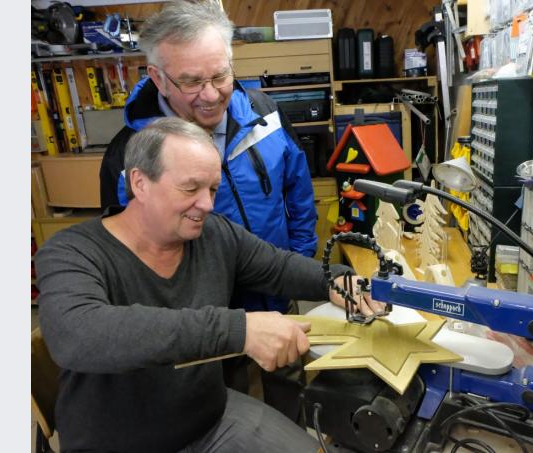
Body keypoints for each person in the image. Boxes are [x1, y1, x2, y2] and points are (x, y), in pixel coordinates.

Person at [37, 118, 383, 452]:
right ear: (140, 183)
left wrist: (338, 279)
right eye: (190, 188)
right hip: (117, 442)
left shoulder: (213, 233)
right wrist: (239, 330)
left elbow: (279, 268)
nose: (207, 204)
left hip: (210, 418)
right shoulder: (72, 251)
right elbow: (78, 334)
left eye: (212, 189)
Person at [97, 0, 318, 418]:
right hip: (198, 320)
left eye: (220, 75)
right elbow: (124, 251)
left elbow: (298, 192)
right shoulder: (130, 155)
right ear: (158, 78)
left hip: (275, 294)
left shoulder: (265, 115)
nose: (212, 94)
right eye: (192, 82)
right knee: (215, 416)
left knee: (290, 408)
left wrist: (299, 260)